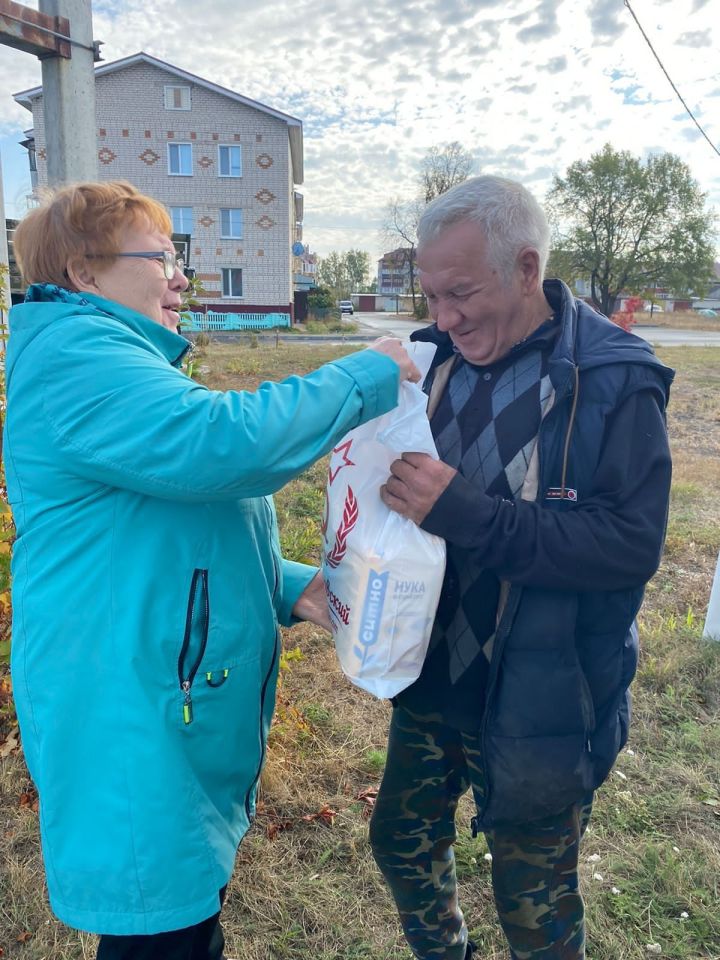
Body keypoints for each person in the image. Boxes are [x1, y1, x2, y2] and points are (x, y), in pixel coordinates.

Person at [4, 179, 420, 959]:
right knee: (159, 924)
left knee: (175, 916)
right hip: (122, 700)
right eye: (162, 257)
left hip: (147, 687)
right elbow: (221, 448)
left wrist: (296, 587)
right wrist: (364, 377)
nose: (181, 276)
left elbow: (176, 522)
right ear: (85, 272)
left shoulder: (108, 356)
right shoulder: (76, 359)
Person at [369, 175, 673, 960]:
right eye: (431, 296)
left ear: (528, 268)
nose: (444, 318)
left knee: (534, 912)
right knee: (400, 846)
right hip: (432, 675)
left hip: (540, 692)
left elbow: (628, 545)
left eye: (461, 293)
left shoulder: (611, 378)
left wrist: (470, 515)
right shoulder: (431, 355)